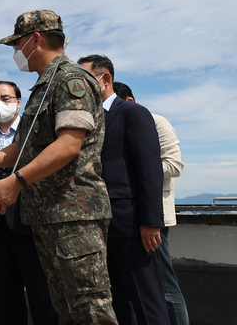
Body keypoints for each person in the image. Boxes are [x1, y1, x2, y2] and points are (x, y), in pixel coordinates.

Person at [0, 10, 117, 325]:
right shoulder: (44, 85)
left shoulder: (71, 78)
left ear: (35, 40)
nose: (16, 52)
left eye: (17, 44)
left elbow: (69, 144)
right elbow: (20, 149)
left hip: (74, 218)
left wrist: (16, 182)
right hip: (48, 218)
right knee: (66, 309)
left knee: (90, 310)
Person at [77, 55, 169, 325]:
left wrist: (151, 222)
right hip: (96, 228)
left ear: (105, 79)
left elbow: (149, 170)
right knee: (115, 304)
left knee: (147, 301)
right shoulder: (85, 120)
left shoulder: (132, 113)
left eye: (84, 79)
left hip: (131, 227)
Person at [0, 81, 57, 325]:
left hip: (31, 222)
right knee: (6, 293)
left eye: (6, 98)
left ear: (19, 102)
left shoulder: (34, 131)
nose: (1, 104)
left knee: (41, 291)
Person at [113, 82, 190, 325]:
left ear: (130, 102)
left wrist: (139, 169)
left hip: (152, 215)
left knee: (164, 288)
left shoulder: (156, 121)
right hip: (124, 218)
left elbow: (174, 164)